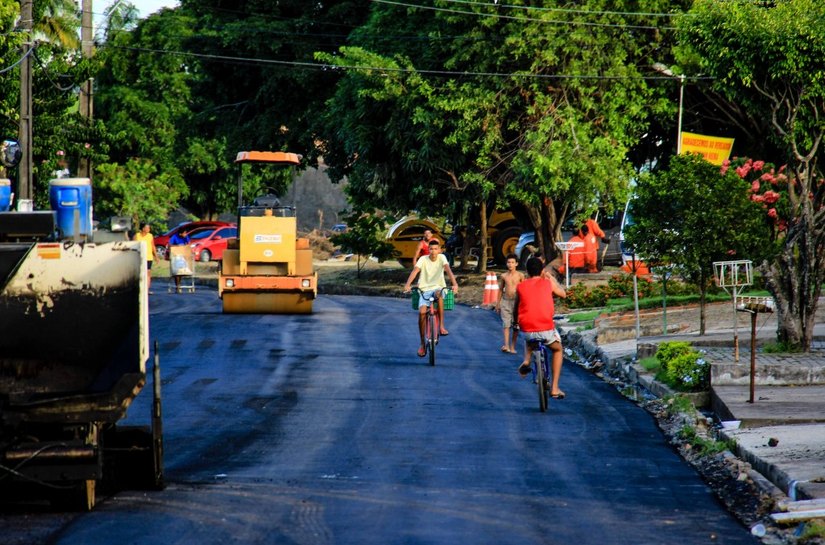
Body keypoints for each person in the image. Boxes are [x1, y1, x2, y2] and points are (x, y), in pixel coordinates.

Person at [514, 256, 567, 399]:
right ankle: (555, 388)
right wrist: (550, 277)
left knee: (527, 334)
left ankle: (526, 360)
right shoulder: (548, 283)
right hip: (546, 329)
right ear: (542, 270)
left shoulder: (521, 286)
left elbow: (516, 308)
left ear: (527, 272)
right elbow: (563, 294)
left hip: (527, 329)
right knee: (557, 349)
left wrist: (515, 323)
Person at [403, 238, 460, 358]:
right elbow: (415, 271)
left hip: (438, 288)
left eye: (435, 249)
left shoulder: (442, 258)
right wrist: (408, 284)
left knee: (439, 294)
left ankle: (441, 326)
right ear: (428, 250)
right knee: (422, 313)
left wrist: (454, 284)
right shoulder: (423, 259)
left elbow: (448, 270)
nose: (433, 251)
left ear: (439, 250)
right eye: (431, 249)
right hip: (424, 289)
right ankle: (422, 344)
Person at [496, 253, 524, 354]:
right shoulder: (503, 276)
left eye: (512, 262)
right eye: (508, 262)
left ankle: (512, 346)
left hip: (517, 302)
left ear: (516, 264)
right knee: (506, 324)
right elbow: (500, 289)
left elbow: (524, 289)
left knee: (516, 325)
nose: (510, 264)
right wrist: (497, 303)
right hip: (506, 301)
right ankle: (506, 345)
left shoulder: (520, 275)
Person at [134, 222, 158, 291]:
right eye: (147, 228)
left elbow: (153, 246)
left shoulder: (150, 236)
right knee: (140, 272)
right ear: (143, 228)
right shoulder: (137, 236)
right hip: (139, 257)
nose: (149, 229)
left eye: (149, 228)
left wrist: (156, 256)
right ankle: (140, 288)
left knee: (148, 272)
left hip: (149, 257)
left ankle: (147, 289)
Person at [168, 229, 191, 293]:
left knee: (182, 271)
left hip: (183, 256)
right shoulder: (174, 237)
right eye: (184, 233)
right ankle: (177, 285)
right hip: (176, 256)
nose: (185, 235)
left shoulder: (186, 237)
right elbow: (170, 245)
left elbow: (188, 244)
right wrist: (177, 246)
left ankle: (179, 284)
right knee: (177, 272)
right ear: (180, 234)